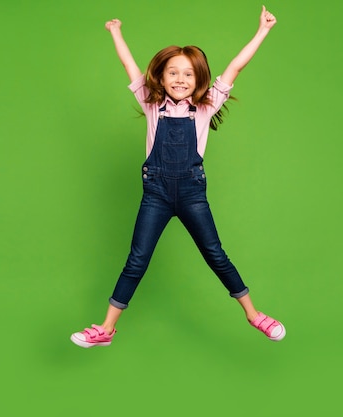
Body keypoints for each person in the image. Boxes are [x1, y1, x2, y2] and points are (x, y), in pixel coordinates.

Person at [71, 6, 285, 348]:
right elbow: (129, 65)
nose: (180, 79)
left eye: (188, 74)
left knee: (215, 254)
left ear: (199, 80)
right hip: (155, 194)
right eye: (173, 73)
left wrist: (263, 30)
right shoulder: (151, 103)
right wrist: (116, 32)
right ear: (161, 77)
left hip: (191, 195)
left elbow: (236, 67)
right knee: (136, 259)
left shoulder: (206, 105)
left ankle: (253, 314)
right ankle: (106, 330)